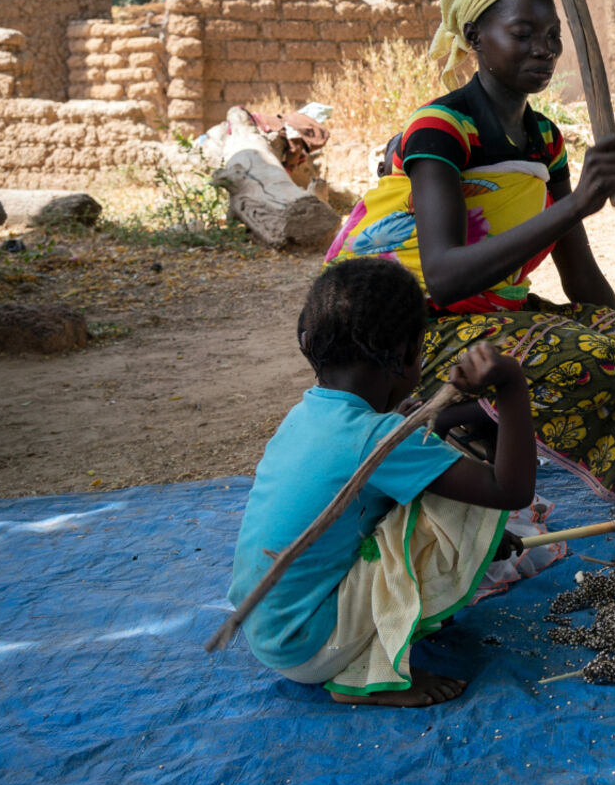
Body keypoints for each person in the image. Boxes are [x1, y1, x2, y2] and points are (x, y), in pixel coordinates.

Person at [327, 0, 615, 501]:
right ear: (476, 36)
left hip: (487, 320)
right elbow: (444, 277)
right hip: (410, 333)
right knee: (588, 363)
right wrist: (575, 205)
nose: (544, 49)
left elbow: (578, 272)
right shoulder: (440, 129)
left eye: (552, 36)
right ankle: (446, 420)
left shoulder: (543, 140)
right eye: (523, 34)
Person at [227, 258, 535, 707]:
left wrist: (481, 538)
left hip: (270, 630)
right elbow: (510, 491)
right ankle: (374, 674)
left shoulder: (307, 414)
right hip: (312, 646)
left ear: (309, 342)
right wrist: (510, 385)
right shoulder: (376, 437)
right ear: (408, 355)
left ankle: (362, 635)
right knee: (455, 493)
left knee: (433, 484)